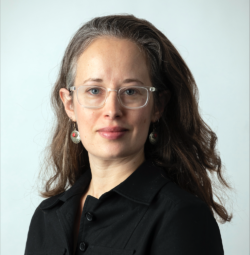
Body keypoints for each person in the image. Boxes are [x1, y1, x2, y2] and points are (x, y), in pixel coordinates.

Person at [24, 14, 232, 255]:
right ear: (70, 105)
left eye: (131, 91)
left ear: (157, 106)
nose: (112, 110)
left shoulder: (181, 216)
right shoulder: (46, 217)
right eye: (94, 90)